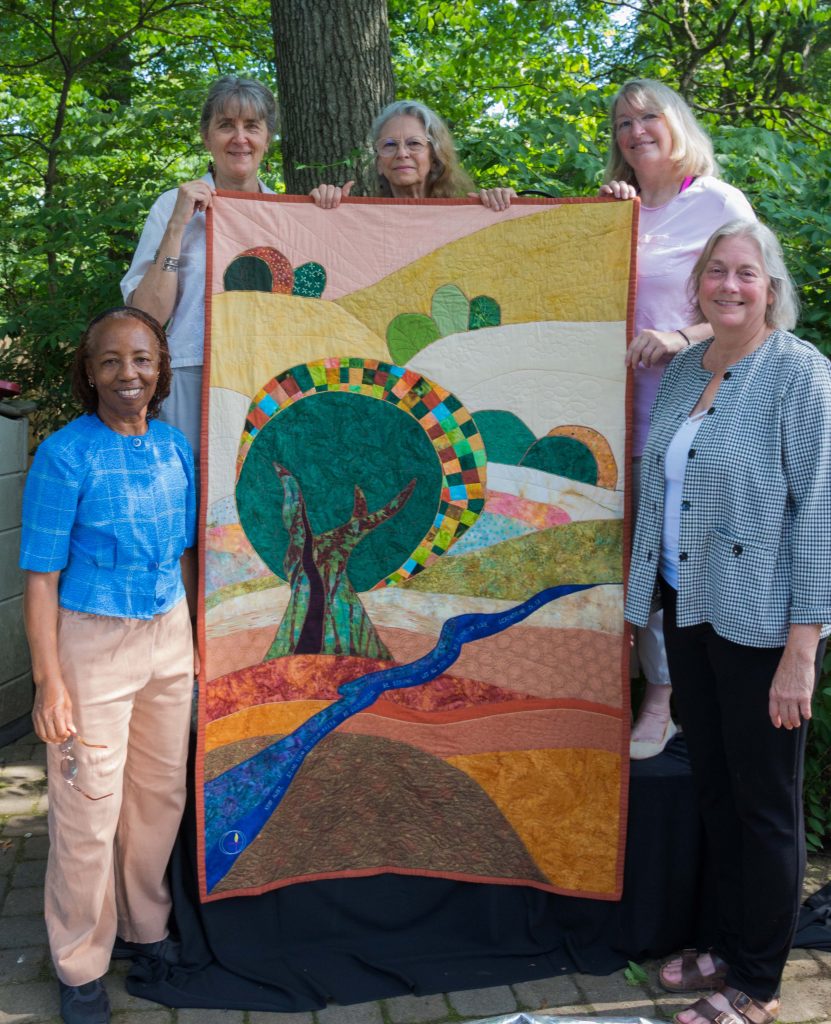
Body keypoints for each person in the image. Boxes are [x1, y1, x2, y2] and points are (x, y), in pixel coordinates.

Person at [625, 219, 831, 1024]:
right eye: (716, 272)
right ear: (698, 286)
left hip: (764, 626)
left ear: (769, 288)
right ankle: (720, 943)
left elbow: (819, 517)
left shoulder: (800, 376)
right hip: (689, 607)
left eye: (745, 273)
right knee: (715, 788)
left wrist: (801, 653)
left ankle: (756, 985)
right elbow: (662, 491)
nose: (729, 286)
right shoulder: (684, 372)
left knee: (764, 804)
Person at [20, 307, 198, 1024]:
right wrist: (48, 682)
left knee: (158, 799)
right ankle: (80, 964)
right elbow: (39, 577)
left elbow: (185, 555)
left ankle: (143, 931)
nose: (129, 374)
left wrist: (197, 647)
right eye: (111, 361)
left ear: (160, 369)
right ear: (88, 372)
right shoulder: (65, 455)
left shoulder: (175, 447)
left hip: (168, 639)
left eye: (144, 359)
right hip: (91, 644)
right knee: (88, 810)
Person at [599, 79, 755, 757]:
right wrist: (597, 223)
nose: (636, 130)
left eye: (648, 116)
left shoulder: (716, 203)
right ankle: (605, 691)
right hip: (610, 415)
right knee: (614, 563)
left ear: (676, 123)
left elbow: (754, 298)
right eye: (622, 122)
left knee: (670, 560)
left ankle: (664, 701)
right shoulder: (615, 208)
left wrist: (679, 338)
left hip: (693, 413)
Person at [121, 75, 277, 460]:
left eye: (251, 126)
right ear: (207, 137)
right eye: (226, 125)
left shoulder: (285, 213)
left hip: (266, 375)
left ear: (267, 139)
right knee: (188, 492)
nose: (240, 138)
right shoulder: (172, 206)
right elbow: (145, 316)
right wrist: (178, 225)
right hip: (192, 372)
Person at [310, 99, 516, 210]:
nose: (402, 153)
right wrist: (325, 215)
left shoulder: (468, 216)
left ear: (434, 157)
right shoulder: (363, 222)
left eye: (414, 143)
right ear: (379, 163)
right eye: (389, 145)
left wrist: (506, 209)